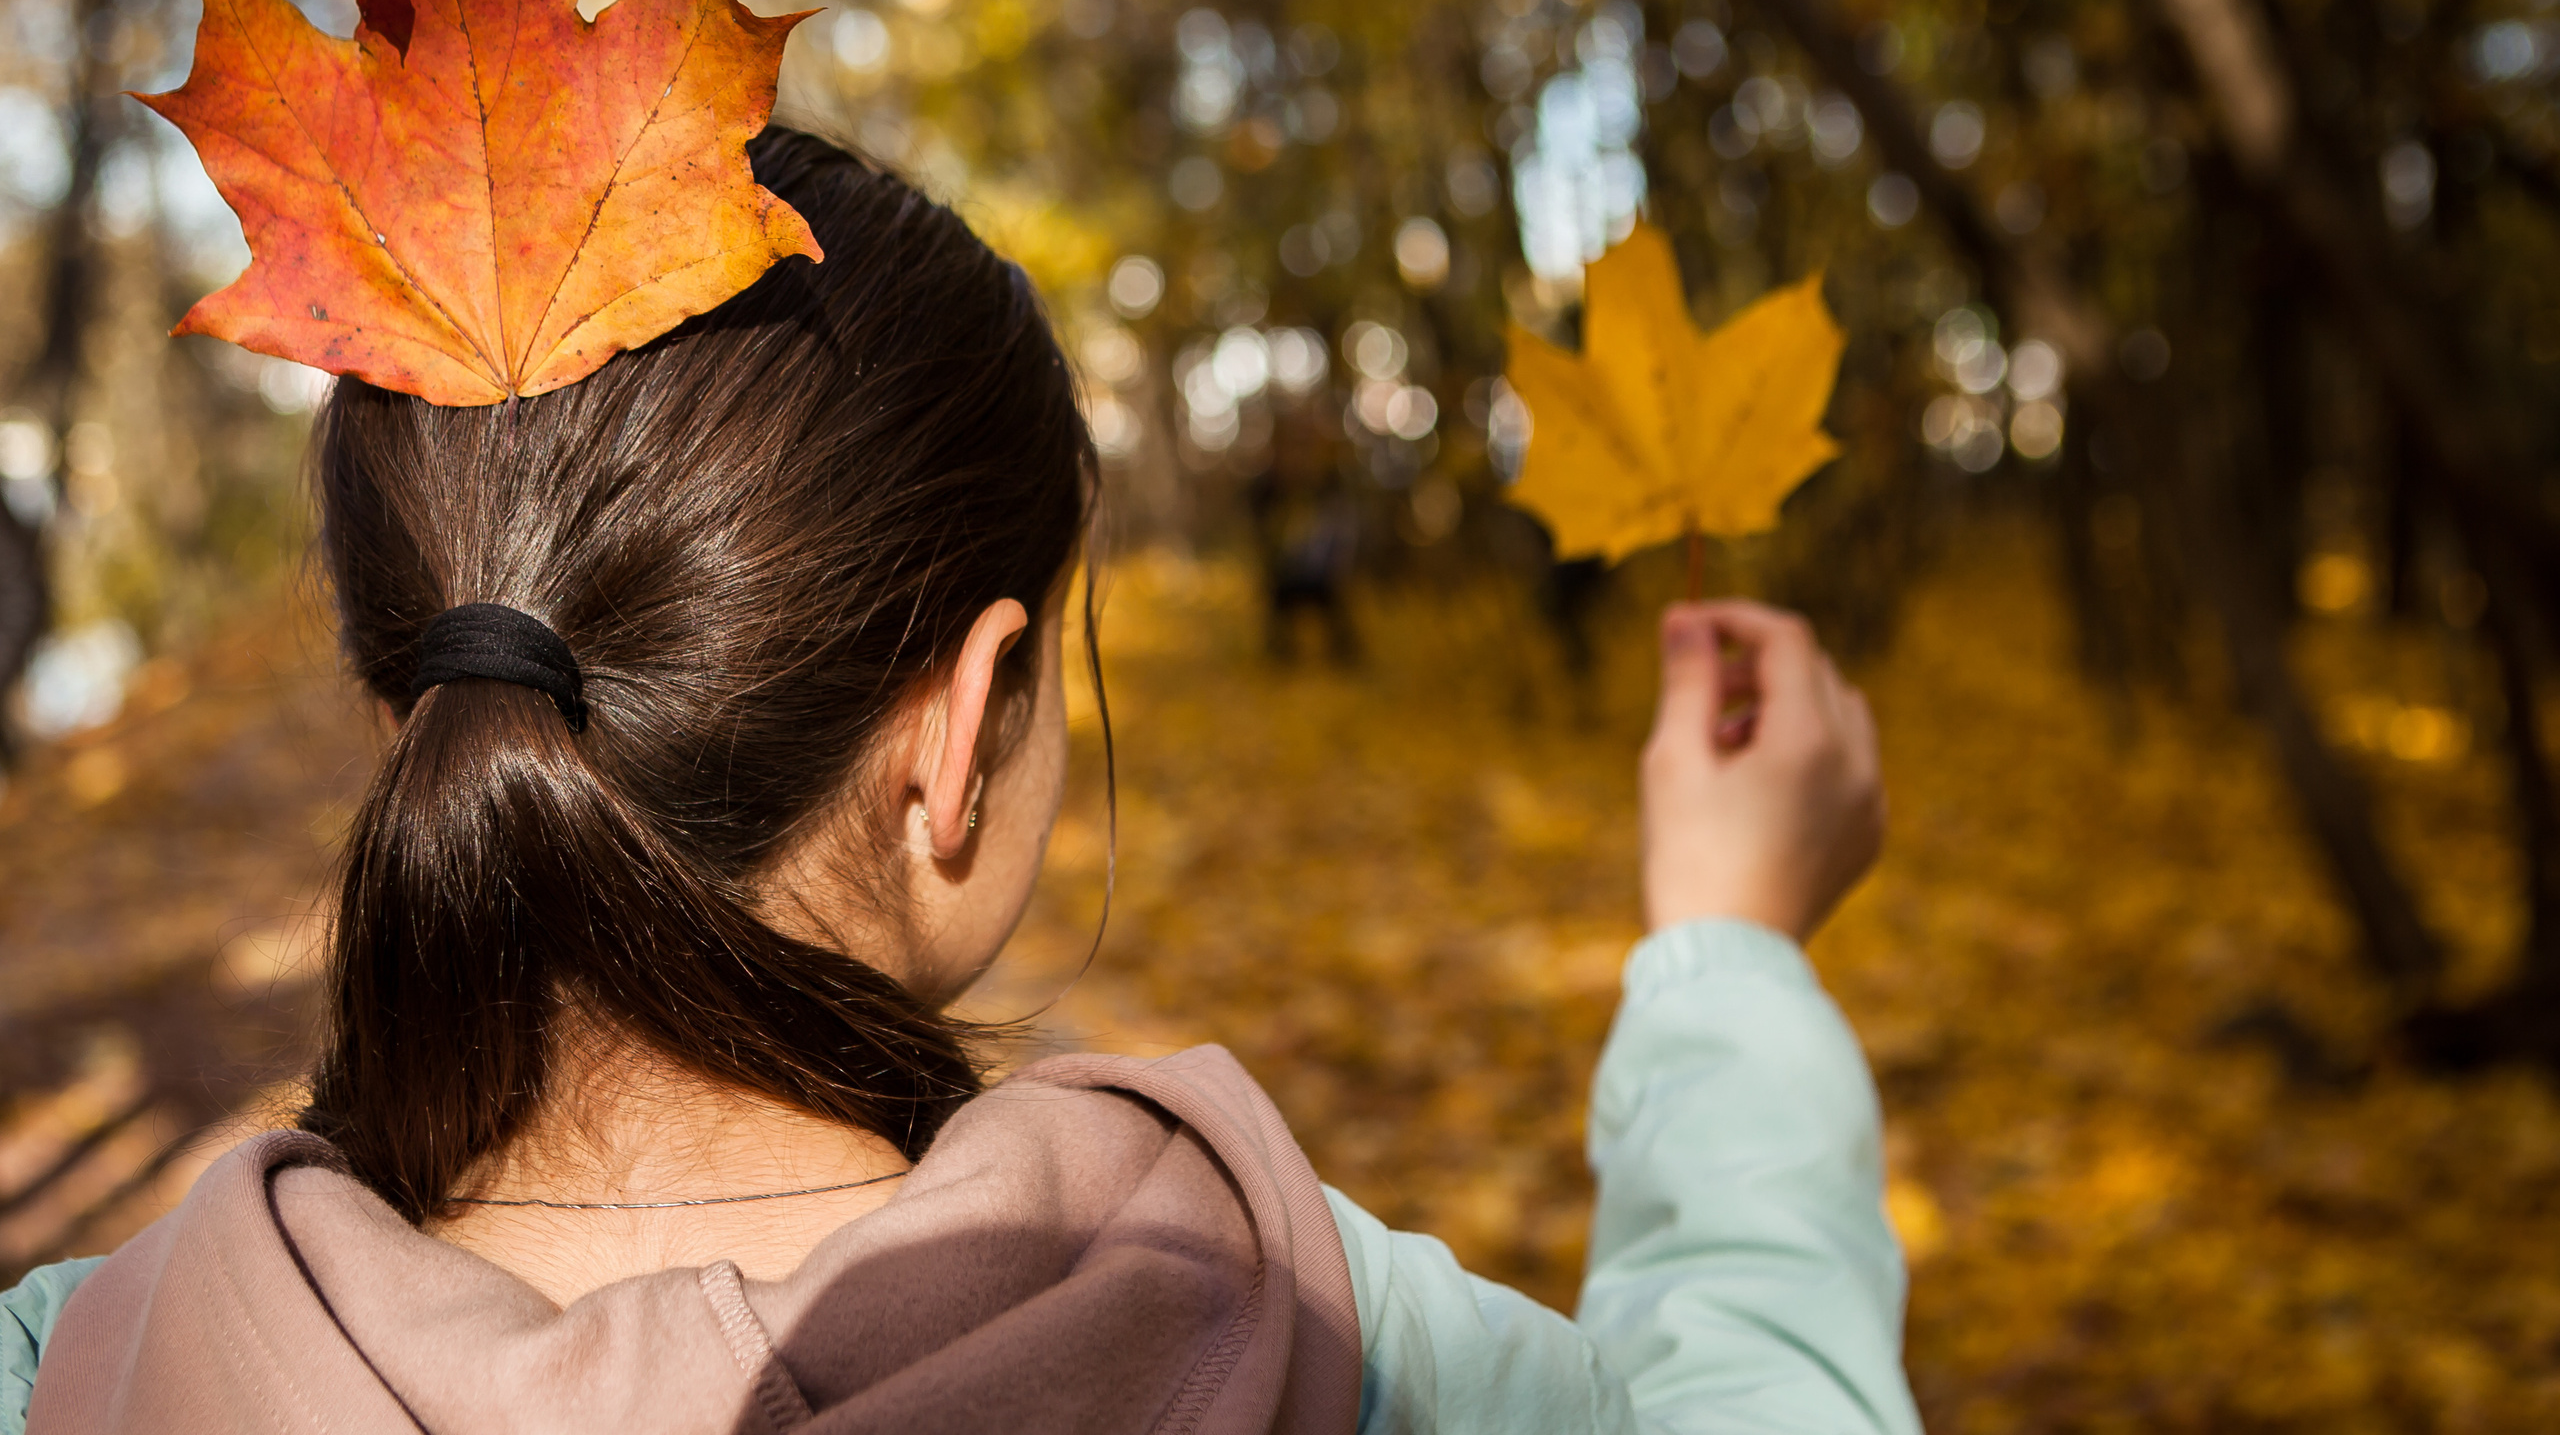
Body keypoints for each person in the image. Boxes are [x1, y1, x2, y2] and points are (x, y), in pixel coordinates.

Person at [0, 127, 1913, 1434]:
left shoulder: (76, 1367)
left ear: (418, 693)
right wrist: (1730, 955)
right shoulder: (1307, 1333)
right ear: (960, 732)